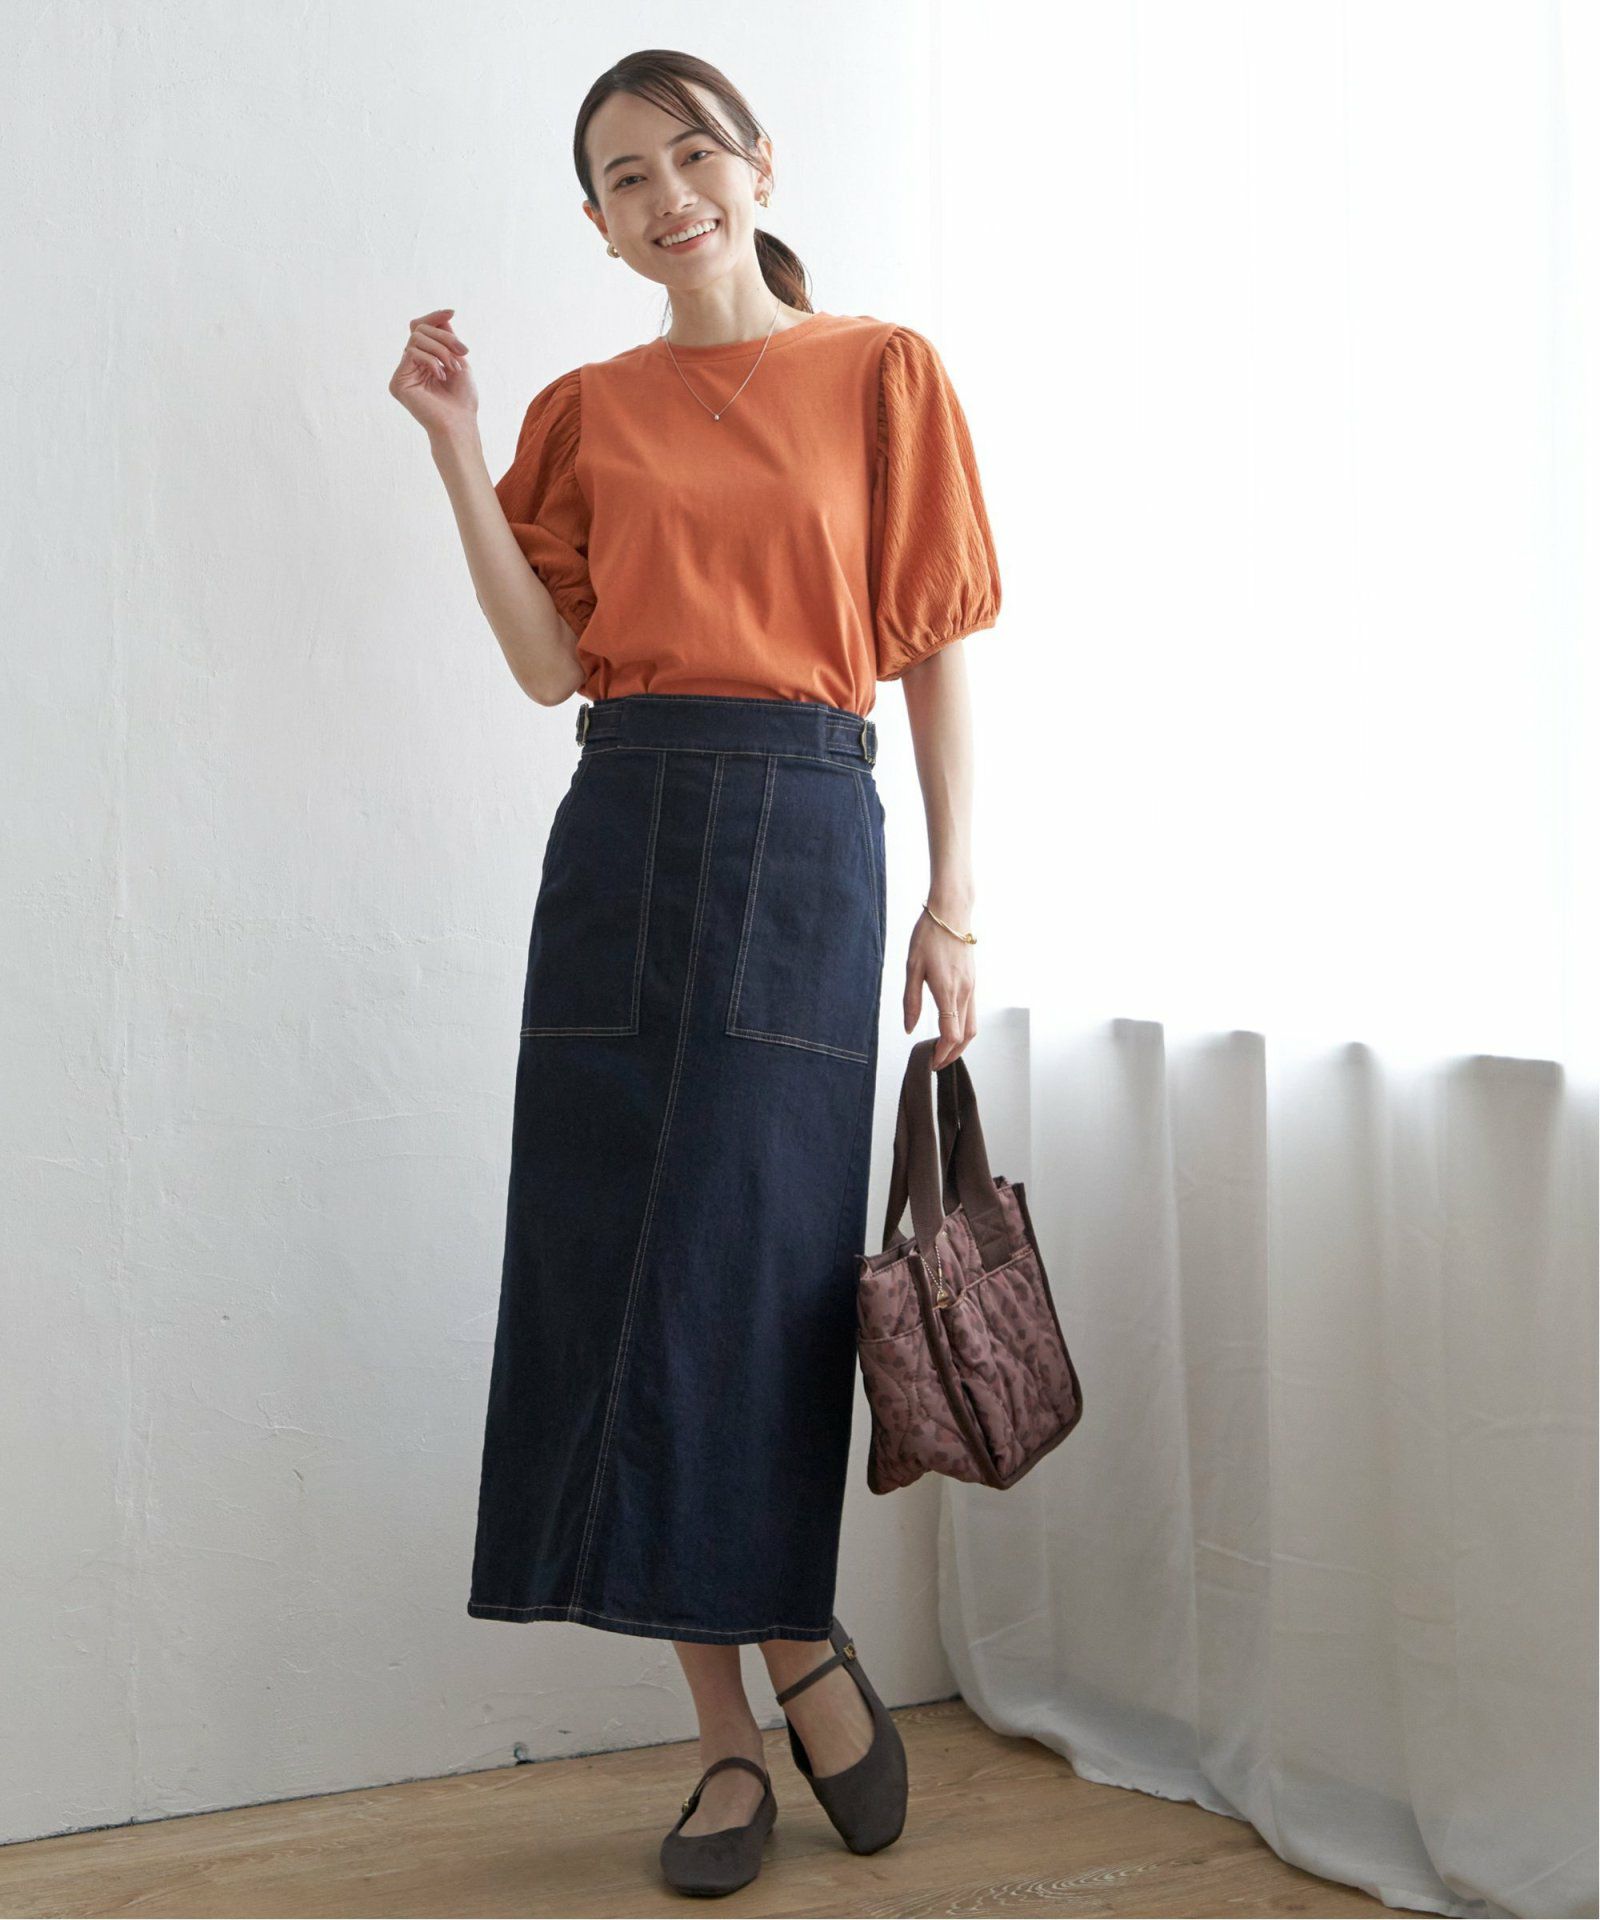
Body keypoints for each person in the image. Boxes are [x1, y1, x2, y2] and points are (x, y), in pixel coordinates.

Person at [388, 48, 1000, 1898]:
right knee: (613, 1273)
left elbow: (935, 645)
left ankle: (795, 1627)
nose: (668, 199)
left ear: (758, 165)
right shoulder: (585, 411)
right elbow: (545, 666)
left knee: (760, 1277)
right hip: (624, 834)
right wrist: (454, 443)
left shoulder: (880, 372)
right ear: (595, 223)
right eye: (624, 179)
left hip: (808, 830)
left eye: (690, 156)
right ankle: (731, 1732)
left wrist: (958, 899)